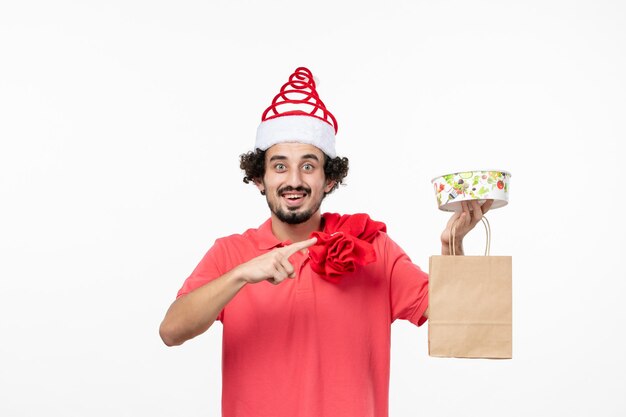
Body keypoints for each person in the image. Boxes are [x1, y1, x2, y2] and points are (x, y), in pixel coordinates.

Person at [159, 67, 492, 417]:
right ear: (259, 178)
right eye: (279, 166)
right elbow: (171, 331)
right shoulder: (230, 254)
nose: (294, 180)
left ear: (329, 179)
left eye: (308, 166)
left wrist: (453, 247)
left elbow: (462, 321)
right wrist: (240, 275)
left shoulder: (372, 246)